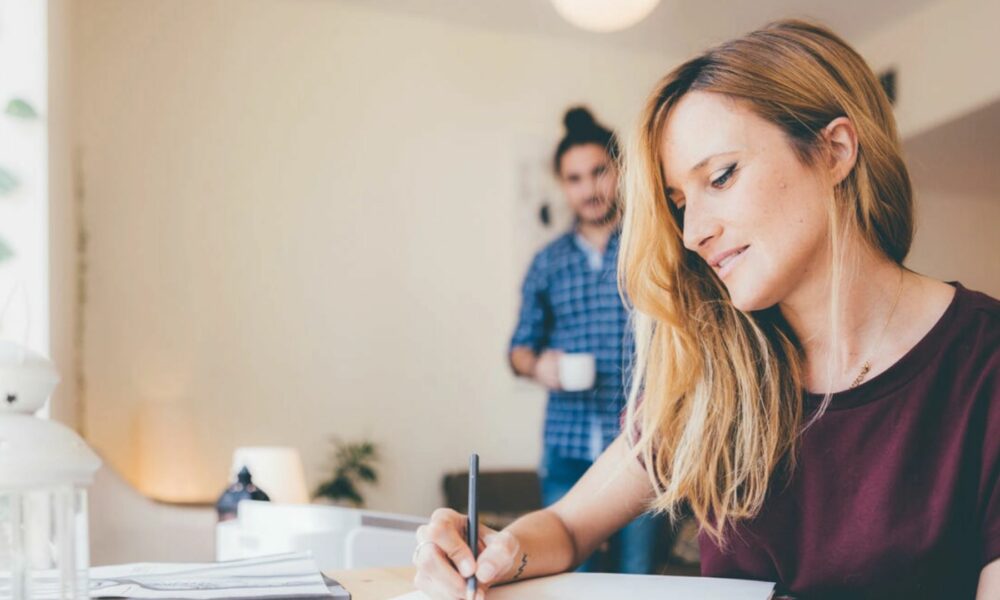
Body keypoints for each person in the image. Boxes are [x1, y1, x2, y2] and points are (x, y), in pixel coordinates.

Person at [412, 19, 1000, 600]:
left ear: (834, 150)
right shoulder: (715, 376)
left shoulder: (984, 367)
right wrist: (492, 551)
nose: (692, 232)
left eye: (720, 176)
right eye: (679, 203)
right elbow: (567, 527)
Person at [507, 107, 662, 574]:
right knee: (570, 586)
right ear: (562, 184)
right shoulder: (547, 263)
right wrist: (539, 367)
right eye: (575, 178)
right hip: (566, 451)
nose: (590, 188)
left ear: (619, 171)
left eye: (599, 172)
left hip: (645, 448)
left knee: (639, 584)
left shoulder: (651, 246)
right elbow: (517, 350)